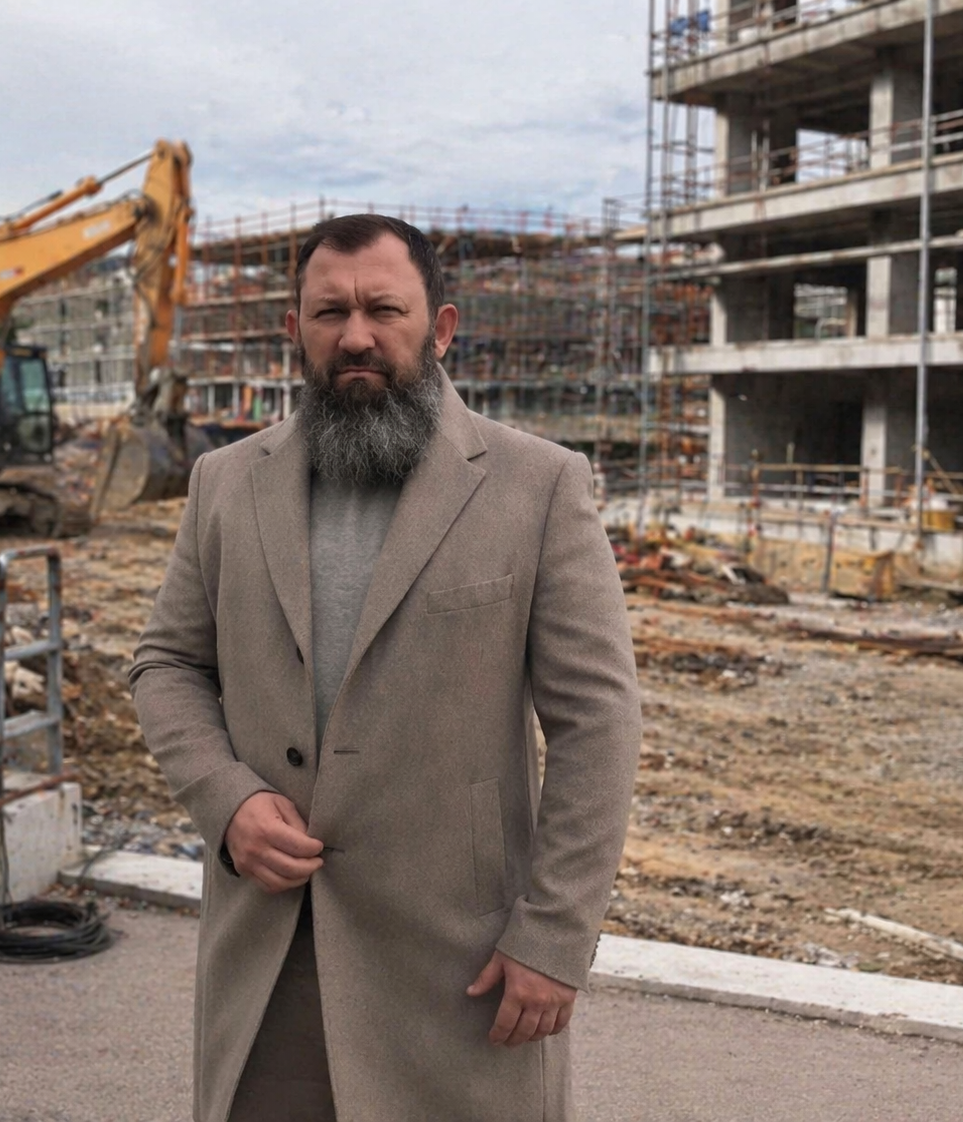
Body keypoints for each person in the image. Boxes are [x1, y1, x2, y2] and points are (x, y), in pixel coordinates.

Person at [130, 214, 641, 1122]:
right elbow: (167, 662)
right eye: (329, 311)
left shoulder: (539, 485)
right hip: (270, 955)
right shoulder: (223, 483)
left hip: (465, 965)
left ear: (439, 328)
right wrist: (228, 800)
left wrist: (556, 937)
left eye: (382, 309)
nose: (355, 334)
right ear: (294, 331)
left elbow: (597, 723)